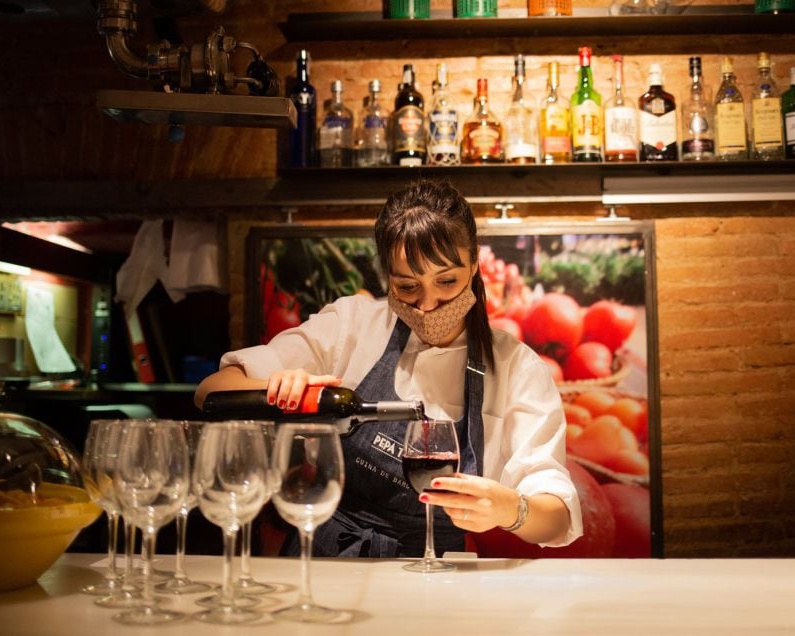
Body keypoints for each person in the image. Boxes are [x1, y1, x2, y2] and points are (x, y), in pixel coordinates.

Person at [195, 179, 581, 557]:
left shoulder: (516, 366)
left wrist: (512, 509)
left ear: (475, 263)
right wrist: (273, 390)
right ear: (387, 277)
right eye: (408, 287)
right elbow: (210, 390)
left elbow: (559, 518)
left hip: (439, 575)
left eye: (447, 281)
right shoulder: (353, 323)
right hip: (328, 560)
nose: (428, 304)